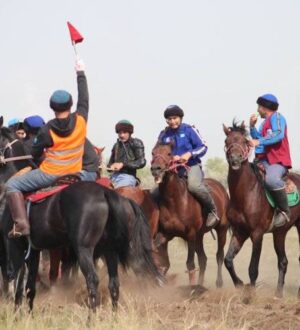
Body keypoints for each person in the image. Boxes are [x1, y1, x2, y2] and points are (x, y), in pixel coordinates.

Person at [5, 58, 88, 238]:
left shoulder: (46, 129)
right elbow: (85, 97)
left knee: (12, 184)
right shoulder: (81, 118)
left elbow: (34, 155)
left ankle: (21, 225)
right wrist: (80, 72)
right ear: (71, 104)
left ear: (52, 107)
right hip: (76, 173)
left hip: (50, 174)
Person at [157, 105, 219, 227]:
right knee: (156, 192)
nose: (172, 121)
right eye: (169, 119)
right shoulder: (163, 134)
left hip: (191, 166)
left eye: (175, 118)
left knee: (194, 186)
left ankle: (213, 210)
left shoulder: (189, 130)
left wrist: (189, 154)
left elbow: (203, 147)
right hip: (170, 170)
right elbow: (159, 151)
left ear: (180, 118)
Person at [250, 93, 292, 227]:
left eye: (259, 106)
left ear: (264, 107)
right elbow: (258, 140)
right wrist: (252, 127)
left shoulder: (278, 117)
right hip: (263, 161)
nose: (257, 110)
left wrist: (259, 140)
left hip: (277, 161)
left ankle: (285, 211)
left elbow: (278, 134)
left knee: (272, 180)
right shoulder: (263, 124)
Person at [107, 120, 146, 188]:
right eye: (120, 133)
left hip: (128, 177)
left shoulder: (136, 143)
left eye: (124, 132)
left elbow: (142, 162)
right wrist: (111, 167)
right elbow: (110, 164)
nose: (122, 135)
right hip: (113, 177)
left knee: (117, 193)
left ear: (130, 133)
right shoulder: (116, 146)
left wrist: (123, 164)